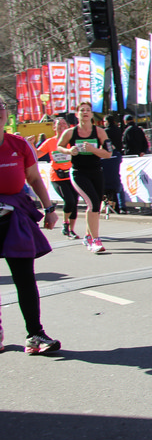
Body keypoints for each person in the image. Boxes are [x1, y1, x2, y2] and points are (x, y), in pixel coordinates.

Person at [0, 100, 62, 354]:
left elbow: (34, 178)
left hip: (15, 217)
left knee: (25, 278)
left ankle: (35, 334)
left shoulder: (19, 144)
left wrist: (49, 209)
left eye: (0, 106)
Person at [56, 102, 110, 253]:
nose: (85, 112)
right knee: (92, 203)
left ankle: (88, 236)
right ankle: (95, 240)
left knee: (96, 205)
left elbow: (108, 153)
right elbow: (59, 146)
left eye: (88, 110)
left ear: (91, 114)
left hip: (96, 171)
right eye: (82, 110)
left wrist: (93, 149)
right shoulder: (70, 132)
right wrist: (69, 151)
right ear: (77, 114)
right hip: (78, 172)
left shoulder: (99, 132)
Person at [36, 117, 81, 239]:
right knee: (69, 201)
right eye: (59, 124)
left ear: (68, 126)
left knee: (74, 202)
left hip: (72, 175)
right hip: (57, 176)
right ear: (54, 127)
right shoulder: (50, 142)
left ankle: (71, 230)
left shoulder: (72, 140)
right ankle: (65, 223)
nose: (62, 126)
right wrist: (29, 146)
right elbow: (37, 154)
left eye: (64, 123)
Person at [103, 114, 126, 215]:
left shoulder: (105, 132)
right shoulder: (118, 130)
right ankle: (122, 207)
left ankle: (109, 204)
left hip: (107, 155)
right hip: (117, 154)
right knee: (117, 182)